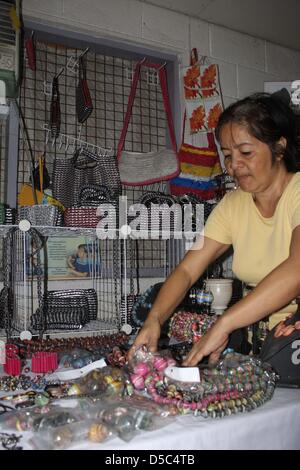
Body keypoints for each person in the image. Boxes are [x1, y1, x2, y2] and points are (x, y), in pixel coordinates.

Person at [130, 91, 300, 366]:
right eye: (228, 155)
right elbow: (186, 270)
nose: (234, 166)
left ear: (279, 148)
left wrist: (225, 323)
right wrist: (154, 320)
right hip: (266, 345)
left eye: (246, 153)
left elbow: (296, 269)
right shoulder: (232, 206)